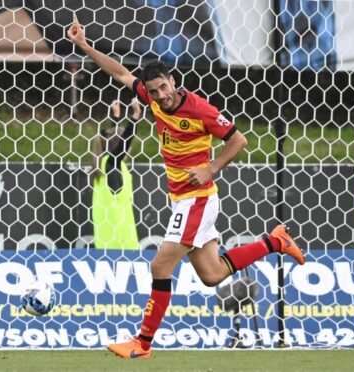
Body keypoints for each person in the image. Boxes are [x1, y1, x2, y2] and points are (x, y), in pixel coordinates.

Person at [68, 15, 306, 359]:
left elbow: (238, 140)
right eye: (153, 91)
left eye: (164, 87)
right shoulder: (150, 99)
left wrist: (211, 168)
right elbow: (120, 73)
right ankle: (275, 241)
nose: (160, 96)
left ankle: (142, 344)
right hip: (185, 200)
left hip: (196, 200)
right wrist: (84, 45)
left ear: (173, 81)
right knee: (211, 275)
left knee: (159, 267)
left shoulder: (199, 109)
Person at [91, 99, 141, 250]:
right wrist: (136, 116)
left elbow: (115, 141)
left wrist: (116, 116)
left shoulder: (105, 165)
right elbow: (123, 141)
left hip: (105, 240)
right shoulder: (112, 163)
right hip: (120, 243)